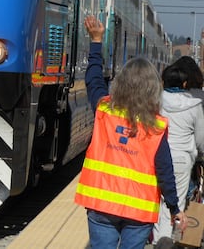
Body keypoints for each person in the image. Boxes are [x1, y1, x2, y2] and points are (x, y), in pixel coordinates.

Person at [75, 15, 186, 249]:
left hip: (101, 204)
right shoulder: (155, 128)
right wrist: (176, 209)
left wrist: (96, 41)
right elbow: (165, 173)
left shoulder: (104, 110)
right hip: (139, 211)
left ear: (121, 83)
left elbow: (93, 79)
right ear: (153, 89)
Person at [152, 59, 204, 244]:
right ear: (184, 84)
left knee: (156, 204)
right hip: (182, 161)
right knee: (174, 208)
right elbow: (200, 138)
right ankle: (167, 243)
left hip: (156, 156)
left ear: (163, 82)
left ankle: (159, 241)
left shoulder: (156, 101)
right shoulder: (194, 104)